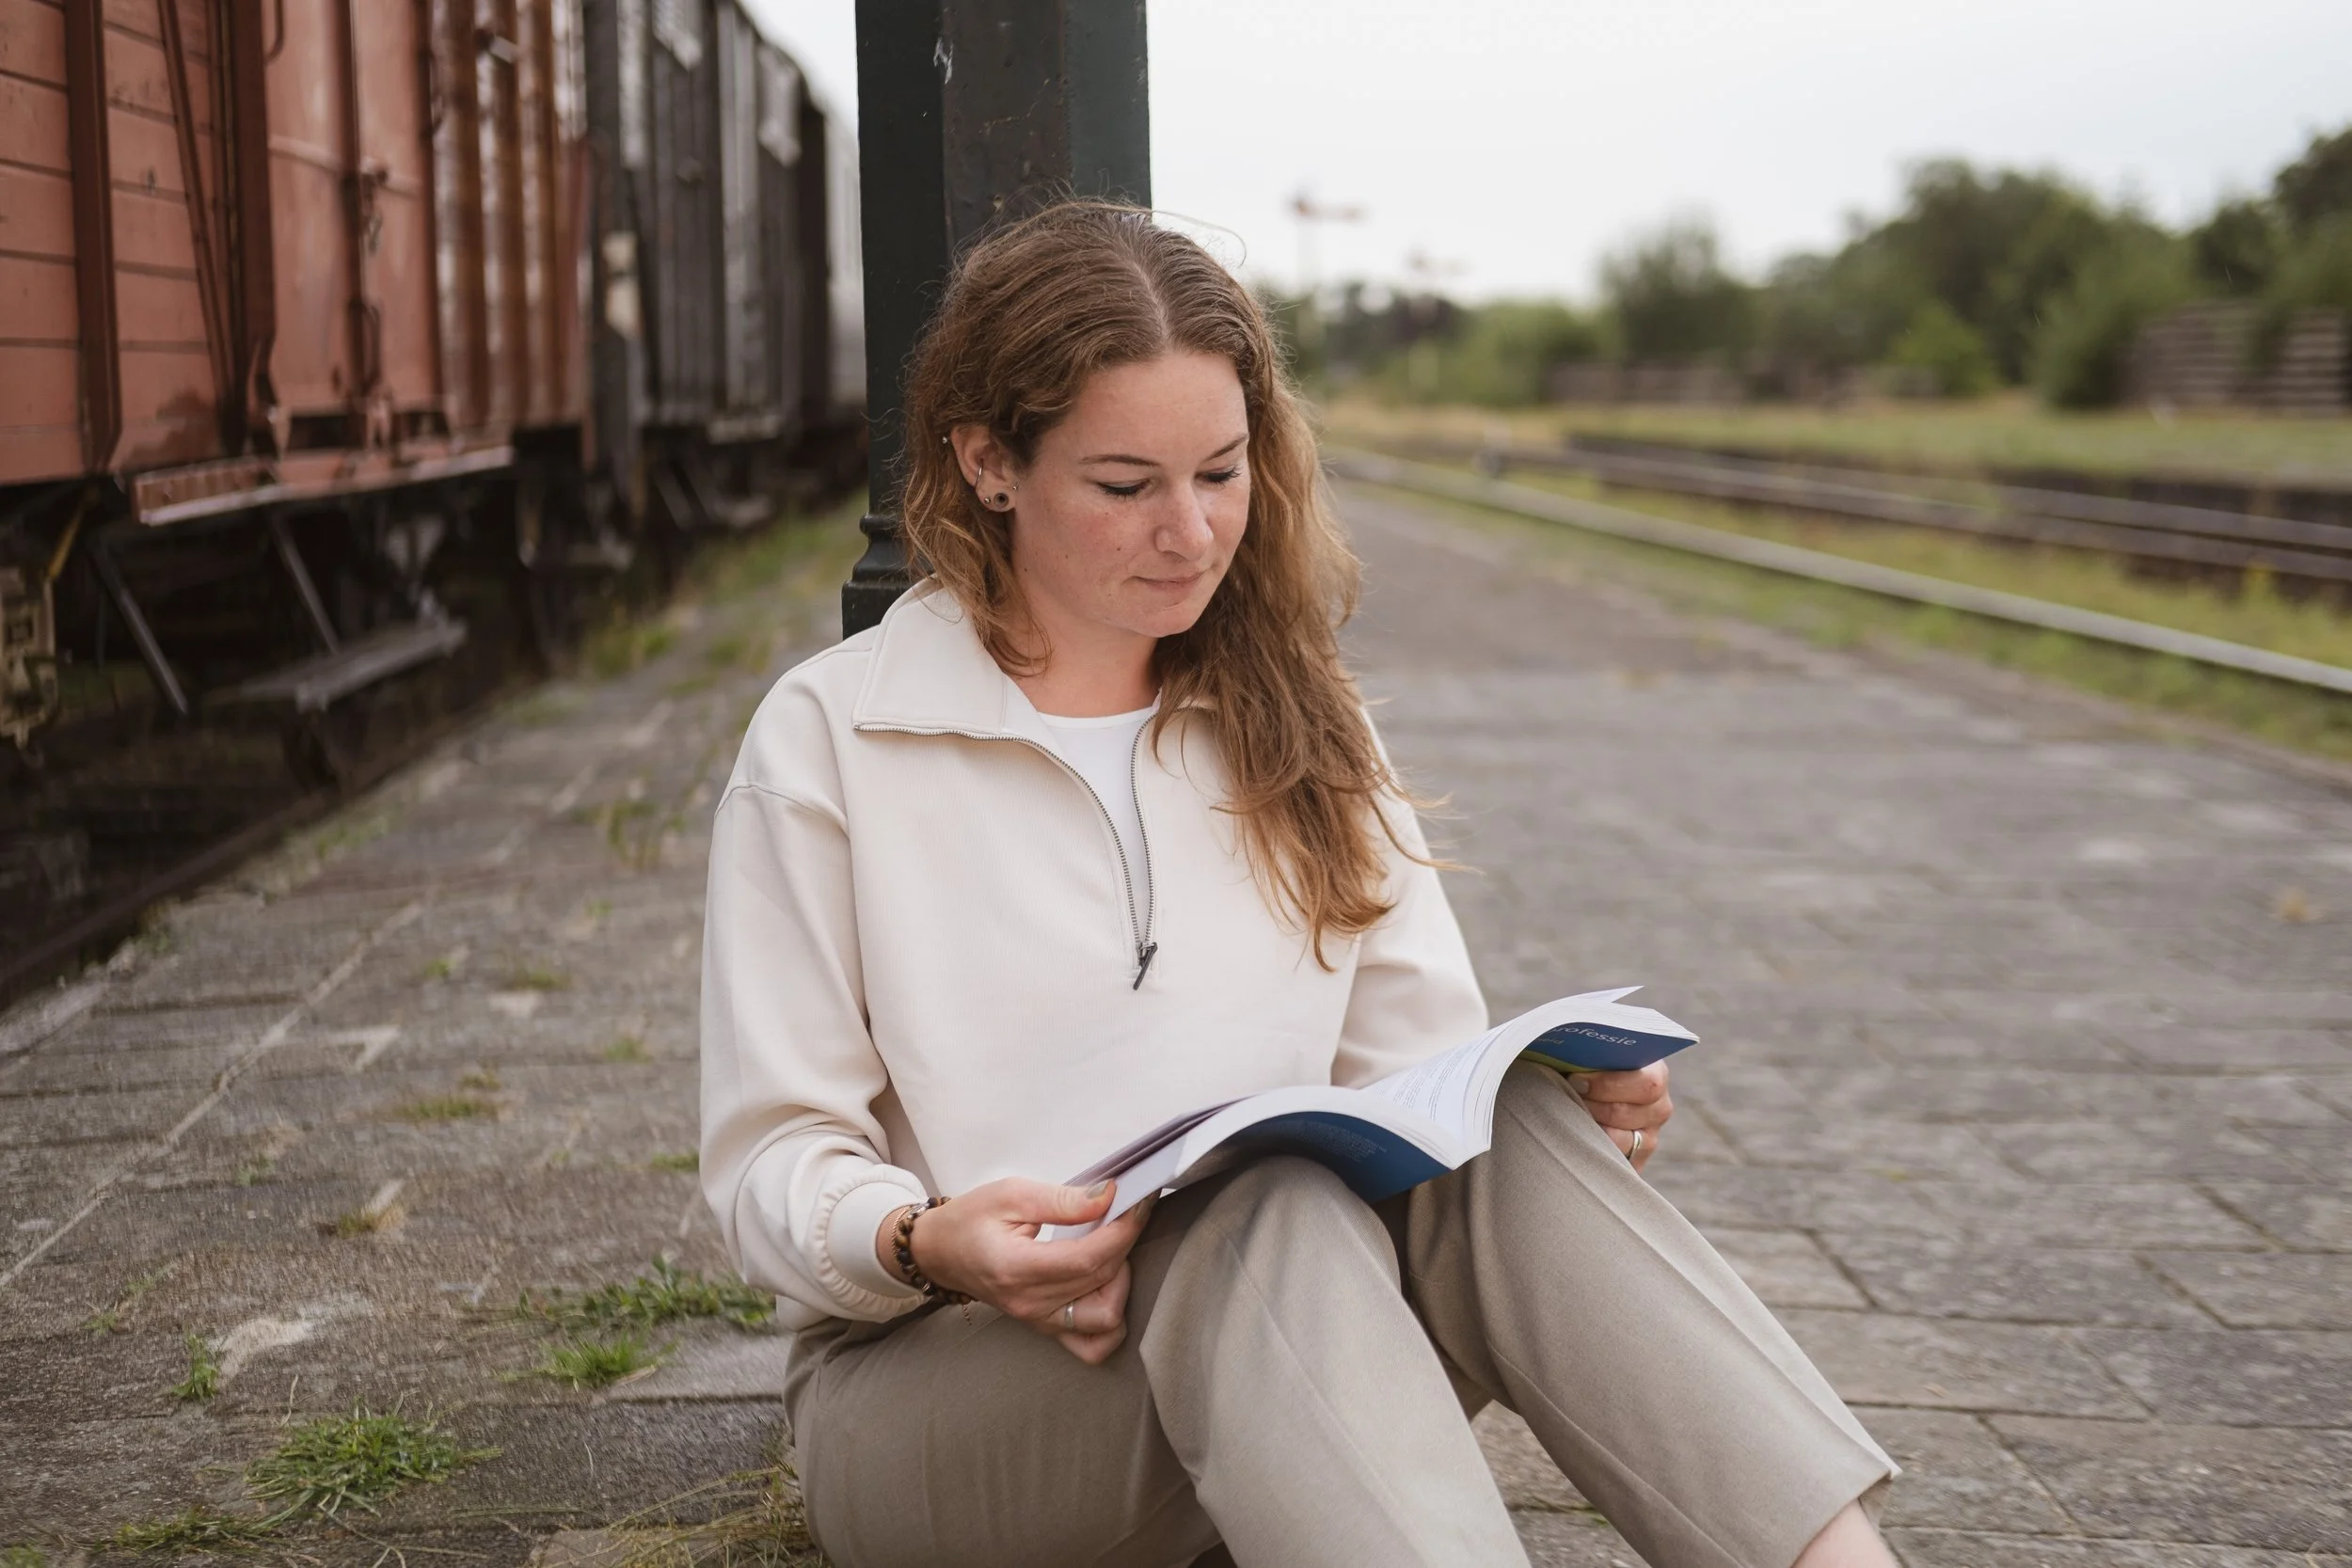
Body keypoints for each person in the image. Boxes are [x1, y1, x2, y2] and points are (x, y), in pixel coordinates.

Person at [700, 201, 1898, 1568]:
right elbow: (768, 1168)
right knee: (1253, 1215)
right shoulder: (833, 739)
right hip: (953, 1400)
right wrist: (926, 1238)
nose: (1190, 532)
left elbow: (1420, 1079)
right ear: (989, 462)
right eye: (1124, 483)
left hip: (1295, 1349)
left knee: (1500, 1133)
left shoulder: (1303, 717)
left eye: (1221, 472)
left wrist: (1568, 1097)